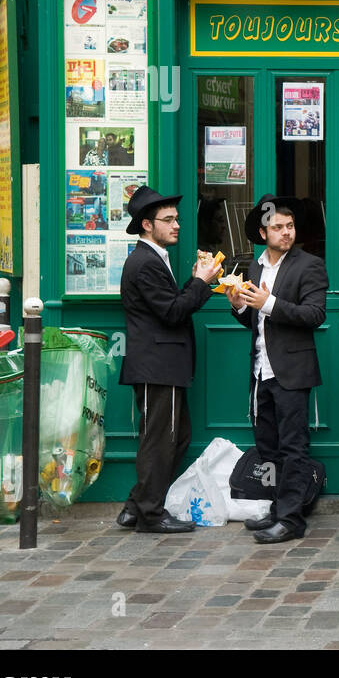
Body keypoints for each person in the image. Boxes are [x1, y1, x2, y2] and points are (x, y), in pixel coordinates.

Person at [225, 195, 328, 544]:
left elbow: (315, 315)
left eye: (290, 226)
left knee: (293, 447)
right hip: (260, 371)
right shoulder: (253, 268)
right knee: (268, 446)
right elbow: (255, 321)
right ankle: (278, 508)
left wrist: (269, 303)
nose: (286, 233)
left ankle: (291, 520)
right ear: (262, 232)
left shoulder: (308, 265)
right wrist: (240, 307)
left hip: (292, 371)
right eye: (278, 227)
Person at [115, 186, 219, 533]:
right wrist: (201, 281)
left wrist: (194, 281)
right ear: (147, 224)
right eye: (169, 220)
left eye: (177, 219)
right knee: (160, 440)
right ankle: (149, 513)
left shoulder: (154, 257)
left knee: (177, 436)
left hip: (163, 364)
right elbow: (173, 312)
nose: (177, 225)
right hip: (157, 366)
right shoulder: (144, 263)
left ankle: (135, 505)